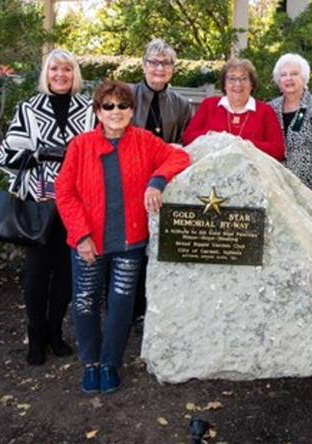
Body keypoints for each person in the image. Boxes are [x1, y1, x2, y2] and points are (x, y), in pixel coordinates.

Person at [55, 81, 190, 393]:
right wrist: (80, 235)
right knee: (86, 301)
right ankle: (90, 362)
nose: (116, 112)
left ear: (132, 110)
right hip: (89, 242)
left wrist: (157, 181)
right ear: (98, 111)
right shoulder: (81, 145)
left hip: (129, 242)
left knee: (121, 304)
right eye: (108, 106)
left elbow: (178, 157)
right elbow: (65, 193)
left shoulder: (144, 140)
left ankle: (110, 362)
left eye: (123, 106)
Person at [0, 49, 95, 365]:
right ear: (46, 73)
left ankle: (55, 331)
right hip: (40, 202)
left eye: (67, 69)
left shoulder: (89, 109)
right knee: (38, 272)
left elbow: (98, 151)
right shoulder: (29, 109)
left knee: (67, 271)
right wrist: (39, 155)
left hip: (76, 203)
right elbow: (4, 156)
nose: (60, 74)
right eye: (55, 69)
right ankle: (35, 334)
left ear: (74, 73)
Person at [130, 38, 193, 334]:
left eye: (165, 63)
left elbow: (183, 146)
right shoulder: (127, 95)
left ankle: (150, 308)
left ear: (173, 69)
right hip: (128, 180)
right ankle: (126, 309)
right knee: (129, 245)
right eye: (154, 62)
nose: (159, 68)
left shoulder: (181, 104)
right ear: (143, 65)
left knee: (155, 246)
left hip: (162, 184)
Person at [183, 58, 285, 161]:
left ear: (251, 84)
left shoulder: (265, 111)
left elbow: (277, 150)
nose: (237, 84)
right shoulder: (209, 105)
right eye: (232, 79)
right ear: (224, 84)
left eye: (243, 78)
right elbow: (188, 138)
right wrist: (215, 137)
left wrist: (243, 144)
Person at [268, 53, 312, 193]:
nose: (289, 78)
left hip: (310, 188)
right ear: (278, 81)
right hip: (279, 186)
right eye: (284, 74)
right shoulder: (271, 108)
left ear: (304, 78)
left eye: (294, 74)